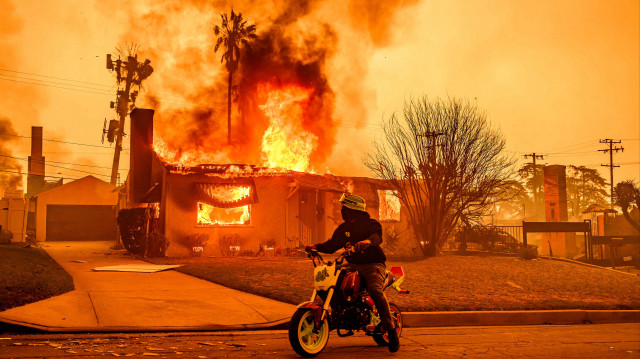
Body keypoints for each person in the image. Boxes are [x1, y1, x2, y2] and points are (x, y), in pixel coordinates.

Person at [305, 193, 400, 353]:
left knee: (376, 291)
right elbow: (332, 245)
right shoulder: (343, 229)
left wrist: (368, 242)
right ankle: (339, 314)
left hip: (373, 265)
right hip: (353, 265)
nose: (342, 211)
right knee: (331, 283)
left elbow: (377, 237)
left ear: (353, 210)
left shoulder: (371, 224)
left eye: (345, 208)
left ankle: (391, 330)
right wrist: (315, 246)